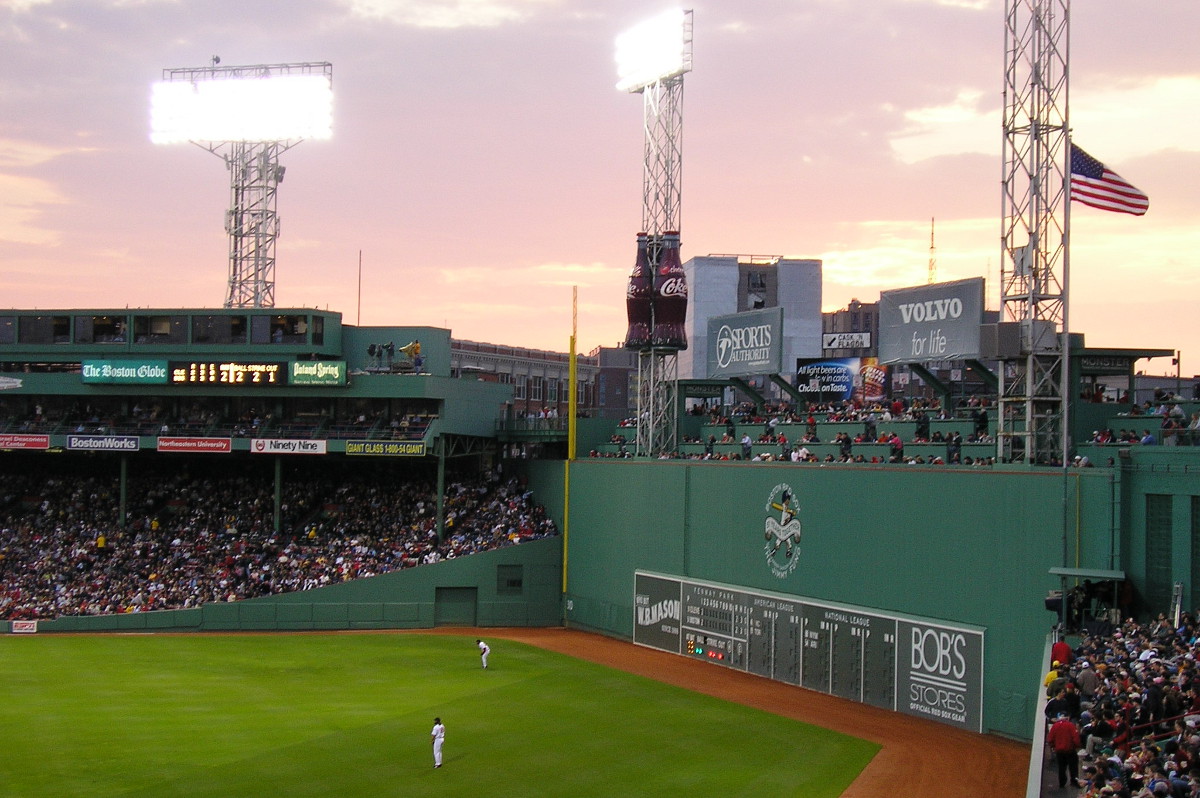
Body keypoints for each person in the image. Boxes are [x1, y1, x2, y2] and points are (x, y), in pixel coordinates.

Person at [1047, 713, 1083, 789]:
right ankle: (1074, 781)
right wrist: (1077, 746)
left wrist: (1053, 746)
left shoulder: (1055, 726)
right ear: (1068, 717)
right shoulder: (1070, 725)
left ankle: (1062, 783)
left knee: (1061, 767)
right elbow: (1076, 739)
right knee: (1073, 767)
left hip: (1059, 751)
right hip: (1070, 750)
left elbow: (1050, 739)